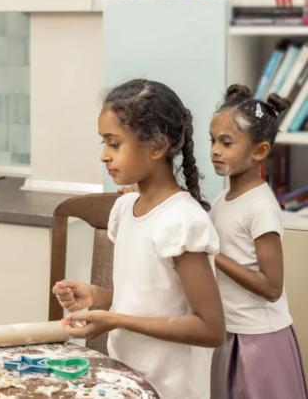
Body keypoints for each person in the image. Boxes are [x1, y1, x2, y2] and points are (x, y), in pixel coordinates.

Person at [53, 79, 225, 398]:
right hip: (128, 382)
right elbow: (147, 300)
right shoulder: (124, 209)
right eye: (103, 143)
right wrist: (97, 297)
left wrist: (115, 318)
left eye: (114, 144)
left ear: (157, 147)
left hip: (171, 389)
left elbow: (211, 328)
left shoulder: (182, 222)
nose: (104, 155)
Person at [208, 85, 307, 398]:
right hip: (231, 333)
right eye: (212, 140)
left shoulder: (261, 206)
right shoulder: (222, 199)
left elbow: (271, 286)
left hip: (260, 341)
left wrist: (213, 255)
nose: (214, 150)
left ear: (260, 151)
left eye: (226, 142)